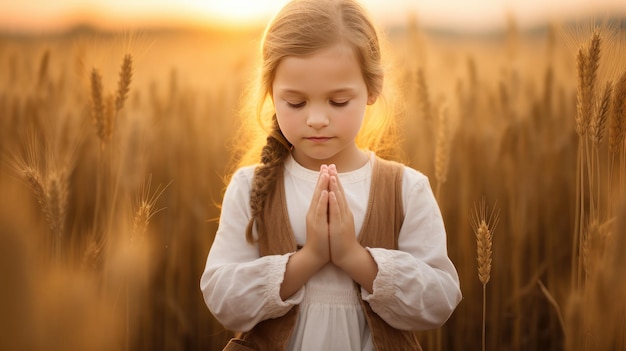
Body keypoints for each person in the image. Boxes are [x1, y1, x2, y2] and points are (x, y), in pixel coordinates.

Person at [200, 0, 462, 350]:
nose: (317, 119)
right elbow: (222, 297)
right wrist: (309, 259)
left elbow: (440, 300)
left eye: (338, 101)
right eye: (296, 102)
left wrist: (352, 256)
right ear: (271, 94)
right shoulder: (249, 188)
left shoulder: (406, 190)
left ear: (372, 89)